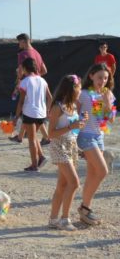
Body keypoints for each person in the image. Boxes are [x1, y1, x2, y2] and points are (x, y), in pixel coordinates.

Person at [77, 63, 116, 225]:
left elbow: (110, 120)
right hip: (85, 136)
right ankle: (83, 208)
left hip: (99, 136)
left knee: (93, 174)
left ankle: (85, 209)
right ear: (91, 76)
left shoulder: (107, 94)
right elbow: (73, 113)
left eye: (106, 78)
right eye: (100, 77)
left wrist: (107, 102)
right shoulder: (83, 94)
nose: (103, 81)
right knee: (102, 171)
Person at [48, 75, 88, 231]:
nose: (80, 91)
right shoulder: (58, 107)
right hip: (59, 146)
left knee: (62, 185)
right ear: (72, 89)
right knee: (74, 183)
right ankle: (64, 219)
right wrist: (73, 126)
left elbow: (73, 131)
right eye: (79, 88)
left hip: (70, 146)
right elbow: (50, 134)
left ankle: (53, 220)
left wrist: (80, 125)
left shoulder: (73, 106)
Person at [10, 33, 51, 146]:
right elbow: (44, 70)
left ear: (23, 41)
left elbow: (19, 71)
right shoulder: (37, 53)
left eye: (19, 42)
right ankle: (20, 137)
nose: (19, 45)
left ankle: (44, 139)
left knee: (28, 110)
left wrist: (18, 85)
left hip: (27, 84)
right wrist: (37, 77)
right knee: (31, 112)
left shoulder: (22, 54)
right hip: (38, 84)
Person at [14, 58, 52, 172]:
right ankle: (41, 157)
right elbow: (50, 98)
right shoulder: (42, 80)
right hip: (41, 114)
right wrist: (47, 111)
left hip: (29, 113)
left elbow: (21, 101)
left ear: (25, 68)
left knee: (31, 140)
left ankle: (34, 165)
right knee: (34, 137)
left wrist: (16, 116)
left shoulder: (24, 82)